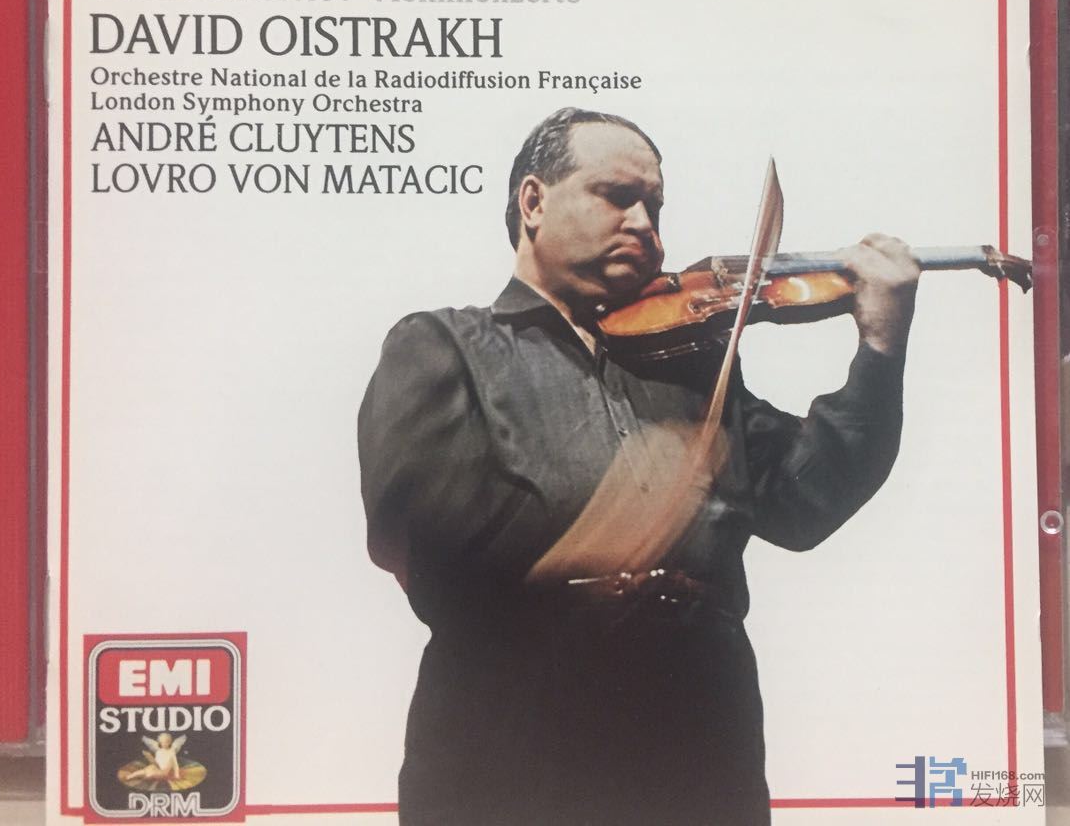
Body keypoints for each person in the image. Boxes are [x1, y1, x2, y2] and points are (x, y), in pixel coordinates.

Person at [358, 107, 919, 826]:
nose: (645, 223)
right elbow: (426, 542)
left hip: (700, 746)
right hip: (512, 749)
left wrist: (881, 347)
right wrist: (614, 525)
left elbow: (807, 501)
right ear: (533, 202)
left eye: (654, 205)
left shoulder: (694, 368)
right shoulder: (443, 345)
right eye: (617, 196)